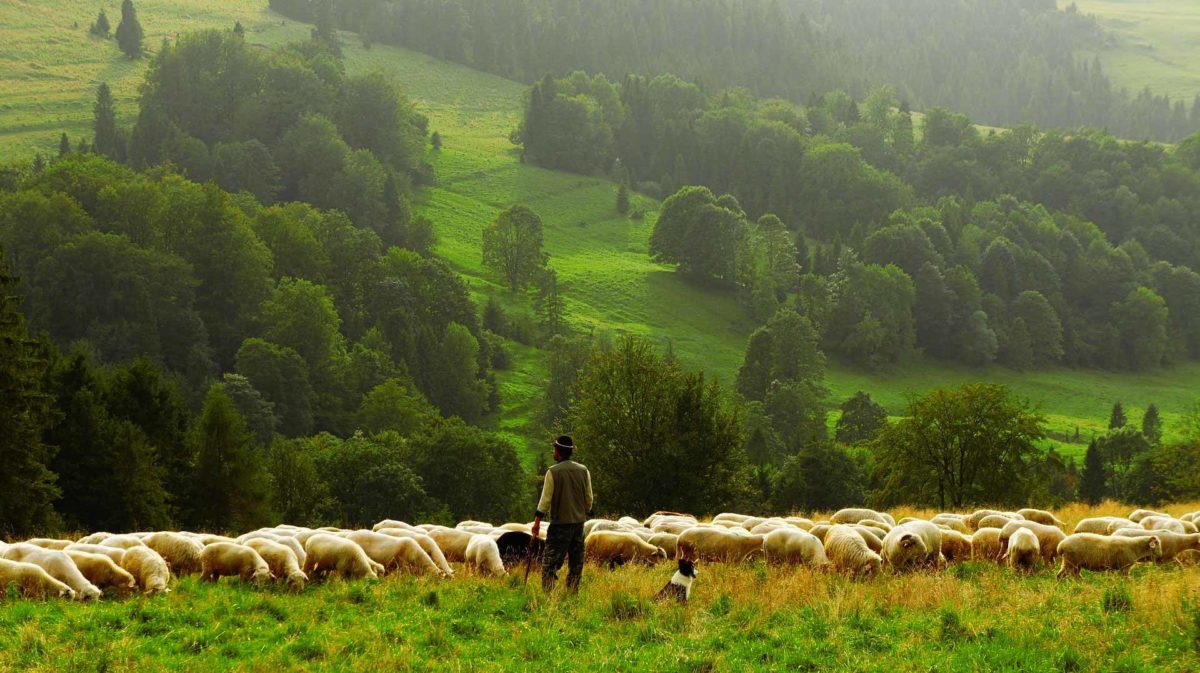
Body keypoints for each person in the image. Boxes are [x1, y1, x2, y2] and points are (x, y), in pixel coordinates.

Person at [531, 435, 593, 593]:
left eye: (554, 449)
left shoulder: (553, 472)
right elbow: (589, 499)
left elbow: (545, 501)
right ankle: (572, 595)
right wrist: (581, 512)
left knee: (549, 564)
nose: (553, 451)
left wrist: (537, 522)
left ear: (558, 451)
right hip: (579, 525)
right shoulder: (583, 470)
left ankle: (548, 596)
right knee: (576, 564)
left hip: (559, 526)